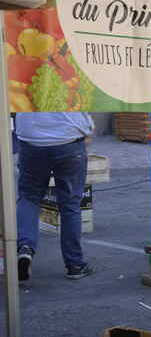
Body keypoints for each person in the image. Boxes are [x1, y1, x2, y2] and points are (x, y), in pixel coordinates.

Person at [15, 113, 95, 281]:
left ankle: (25, 248)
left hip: (31, 138)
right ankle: (75, 264)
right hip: (68, 137)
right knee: (70, 204)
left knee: (29, 197)